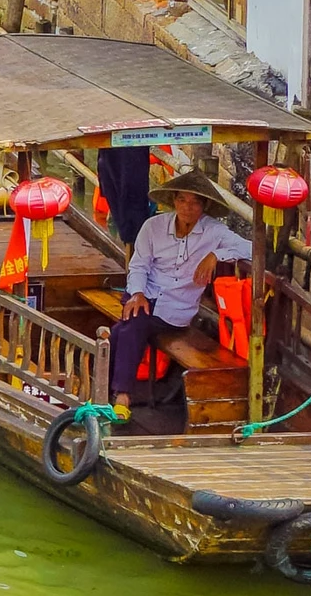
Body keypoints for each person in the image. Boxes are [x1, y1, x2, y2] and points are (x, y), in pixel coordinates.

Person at [108, 175, 252, 416]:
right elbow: (139, 266)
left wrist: (216, 255)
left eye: (195, 202)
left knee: (127, 327)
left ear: (203, 206)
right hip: (143, 294)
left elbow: (251, 248)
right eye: (182, 200)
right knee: (131, 321)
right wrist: (138, 293)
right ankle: (116, 391)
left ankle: (114, 389)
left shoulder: (214, 231)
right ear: (173, 202)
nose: (188, 207)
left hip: (177, 308)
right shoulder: (153, 227)